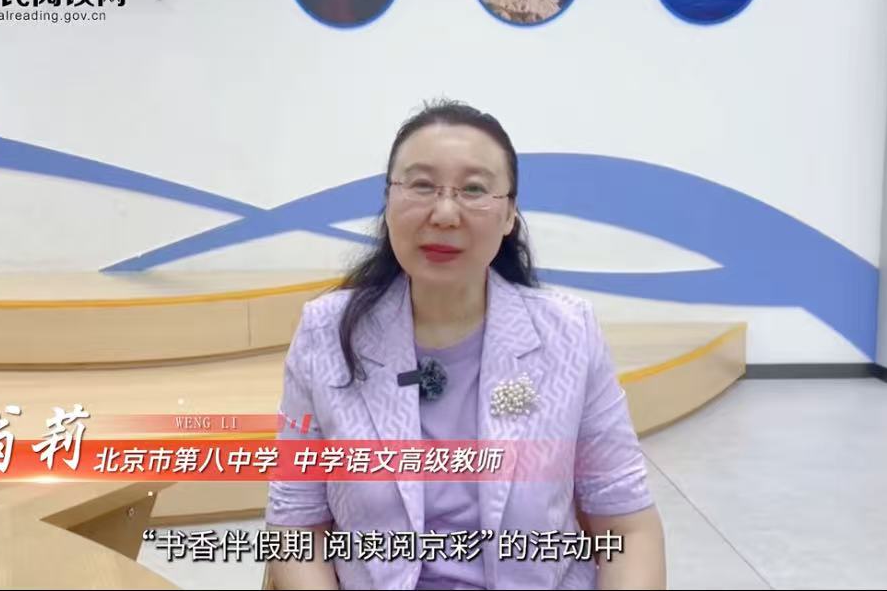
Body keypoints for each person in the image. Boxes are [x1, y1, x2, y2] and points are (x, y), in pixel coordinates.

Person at [265, 99, 665, 589]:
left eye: (474, 189)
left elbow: (627, 526)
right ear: (388, 201)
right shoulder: (327, 332)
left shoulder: (569, 334)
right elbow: (296, 526)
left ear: (509, 215)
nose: (444, 213)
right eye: (421, 185)